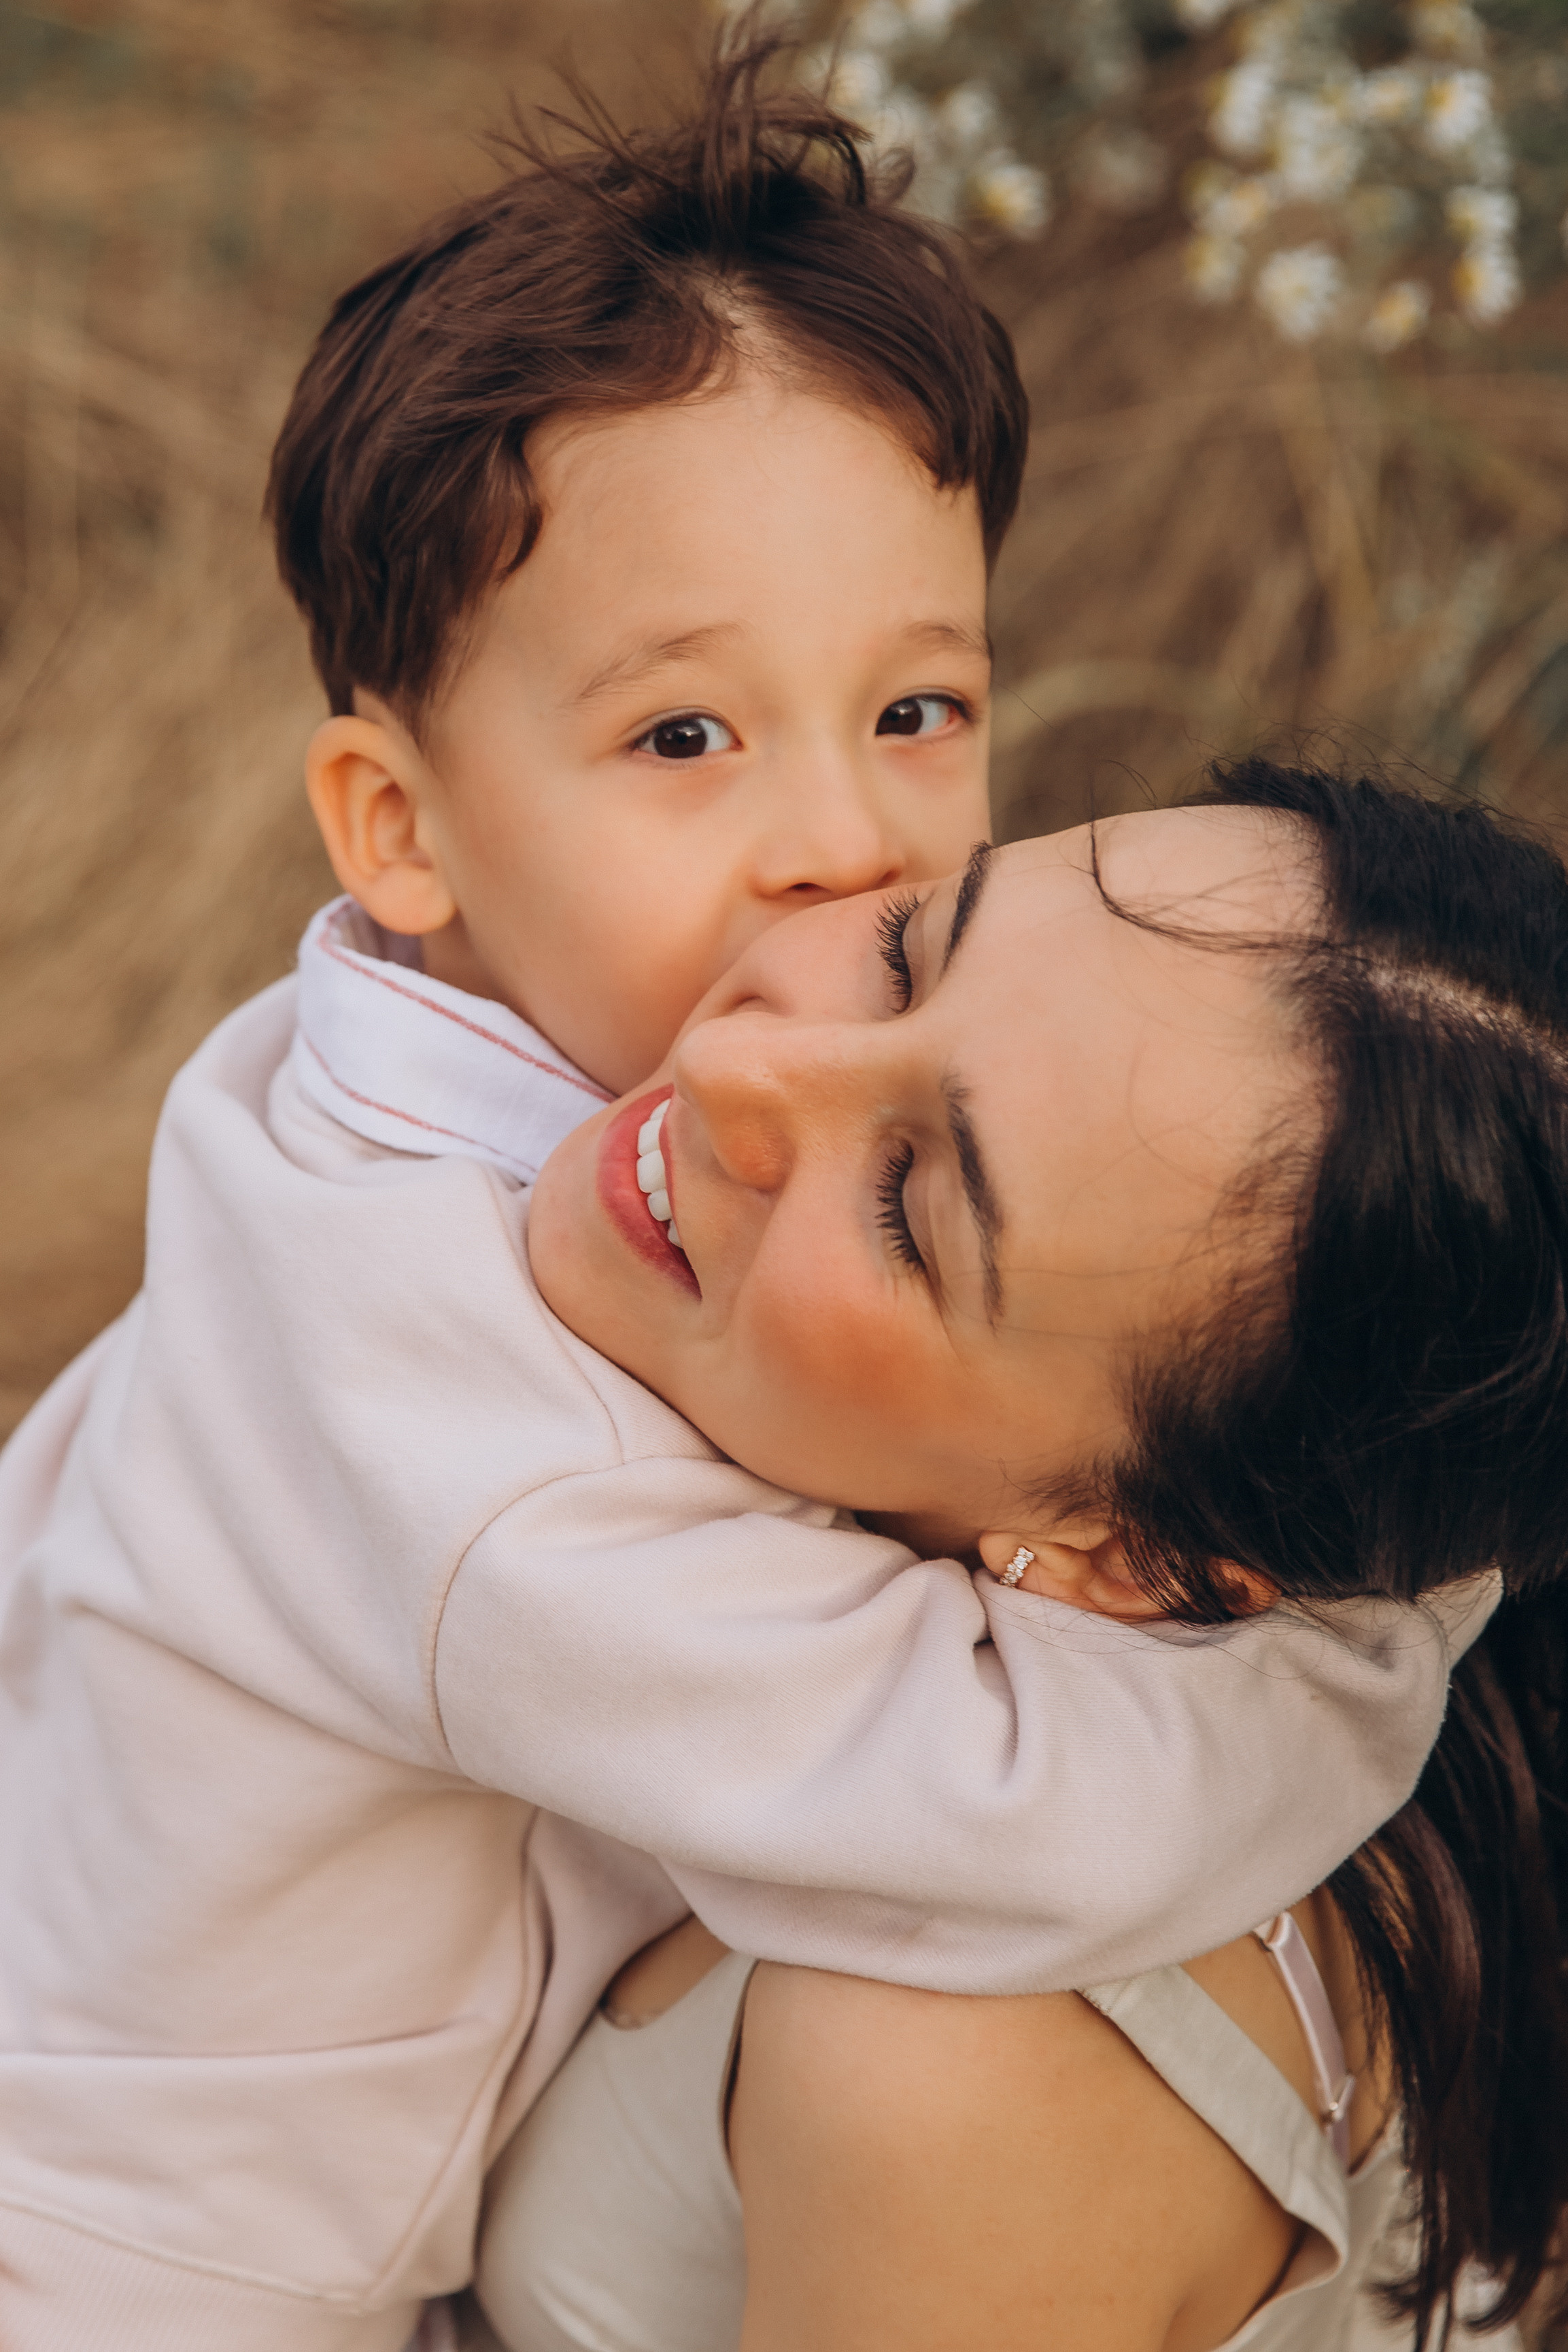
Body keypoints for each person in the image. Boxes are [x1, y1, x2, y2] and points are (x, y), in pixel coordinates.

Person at [0, 38, 1484, 2352]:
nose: (842, 841)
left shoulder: (429, 1073)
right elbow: (1001, 1811)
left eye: (914, 714)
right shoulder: (470, 1406)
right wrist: (1375, 1641)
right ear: (395, 828)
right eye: (683, 737)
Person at [472, 762, 1568, 2352]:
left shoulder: (963, 2057)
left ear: (1131, 1555)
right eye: (913, 946)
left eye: (912, 1204)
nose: (735, 1059)